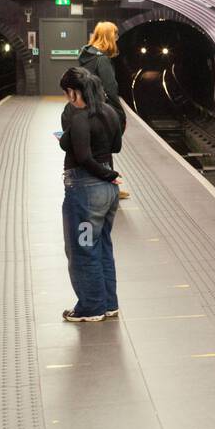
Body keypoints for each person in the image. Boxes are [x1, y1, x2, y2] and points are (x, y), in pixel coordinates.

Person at [59, 66, 123, 323]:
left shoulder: (79, 117)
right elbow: (115, 146)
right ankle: (109, 303)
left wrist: (107, 175)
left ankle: (91, 307)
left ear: (74, 92)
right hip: (108, 194)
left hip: (86, 191)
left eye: (66, 93)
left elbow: (84, 157)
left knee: (83, 248)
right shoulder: (110, 112)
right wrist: (110, 175)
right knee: (102, 245)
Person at [77, 21, 130, 197]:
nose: (117, 38)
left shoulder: (86, 56)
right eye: (115, 34)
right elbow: (110, 88)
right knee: (104, 151)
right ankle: (108, 189)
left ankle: (107, 187)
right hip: (101, 111)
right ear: (108, 37)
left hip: (86, 109)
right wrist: (120, 114)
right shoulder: (102, 60)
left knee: (95, 150)